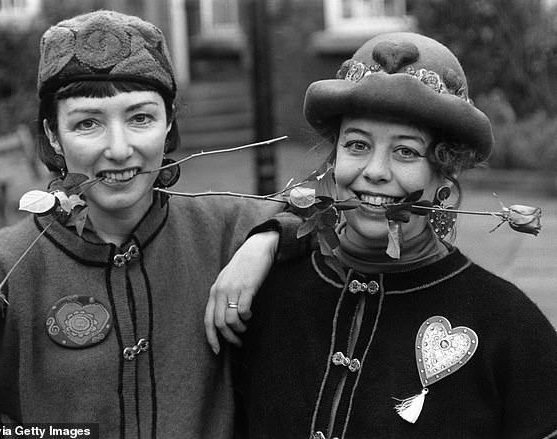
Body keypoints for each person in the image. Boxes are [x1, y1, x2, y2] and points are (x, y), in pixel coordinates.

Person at [0, 10, 302, 438]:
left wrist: (266, 241)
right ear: (51, 135)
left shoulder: (222, 228)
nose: (119, 149)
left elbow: (328, 216)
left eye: (140, 118)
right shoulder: (3, 266)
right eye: (88, 123)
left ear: (170, 121)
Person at [207, 32, 557, 438]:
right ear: (333, 158)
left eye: (405, 152)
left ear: (445, 171)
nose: (374, 170)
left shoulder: (508, 325)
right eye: (357, 144)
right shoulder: (266, 297)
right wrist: (266, 238)